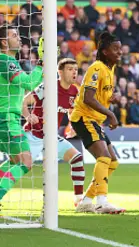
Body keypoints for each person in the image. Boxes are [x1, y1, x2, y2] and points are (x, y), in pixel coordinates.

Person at [71, 32, 124, 214]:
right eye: (115, 49)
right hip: (84, 117)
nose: (120, 52)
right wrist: (111, 114)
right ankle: (102, 202)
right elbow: (88, 98)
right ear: (104, 51)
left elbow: (101, 96)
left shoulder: (110, 69)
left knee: (112, 162)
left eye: (120, 48)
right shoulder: (96, 68)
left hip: (94, 120)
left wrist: (112, 99)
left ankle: (86, 201)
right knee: (104, 157)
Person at [22, 58, 85, 207]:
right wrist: (28, 115)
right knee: (20, 166)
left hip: (51, 137)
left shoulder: (74, 90)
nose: (74, 72)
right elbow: (24, 101)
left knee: (76, 159)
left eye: (76, 69)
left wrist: (72, 125)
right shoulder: (49, 87)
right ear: (60, 72)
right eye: (70, 69)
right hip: (34, 135)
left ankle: (79, 201)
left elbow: (71, 111)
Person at [0, 26, 43, 203]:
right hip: (7, 118)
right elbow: (26, 82)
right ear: (4, 42)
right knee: (25, 161)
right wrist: (42, 65)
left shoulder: (10, 61)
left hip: (8, 117)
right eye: (14, 35)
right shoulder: (4, 60)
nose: (19, 38)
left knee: (14, 160)